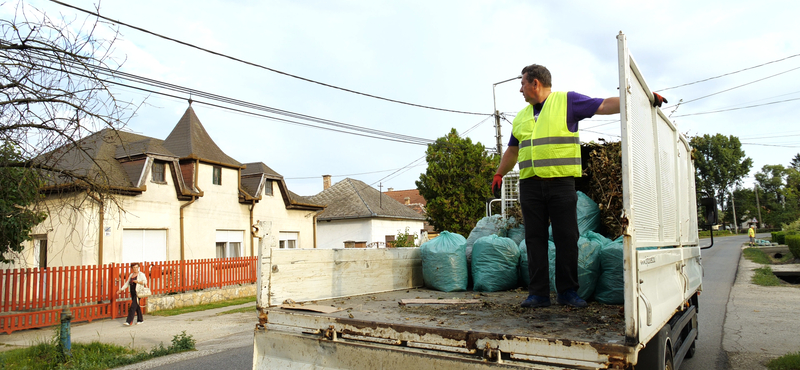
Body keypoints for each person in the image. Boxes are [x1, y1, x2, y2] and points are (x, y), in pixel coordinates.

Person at [492, 64, 667, 309]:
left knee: (566, 239)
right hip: (530, 186)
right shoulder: (521, 116)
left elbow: (604, 105)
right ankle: (538, 294)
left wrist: (638, 99)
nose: (520, 89)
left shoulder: (567, 102)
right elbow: (512, 150)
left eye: (522, 83)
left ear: (535, 83)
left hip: (561, 184)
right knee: (534, 240)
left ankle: (567, 292)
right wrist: (500, 172)